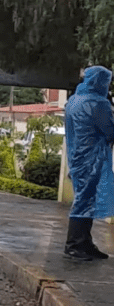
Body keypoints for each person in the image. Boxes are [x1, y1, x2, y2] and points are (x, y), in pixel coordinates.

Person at [63, 66, 114, 261]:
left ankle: (84, 242)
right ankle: (75, 244)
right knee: (85, 201)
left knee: (85, 199)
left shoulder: (74, 100)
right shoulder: (98, 103)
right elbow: (109, 131)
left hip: (77, 156)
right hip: (93, 157)